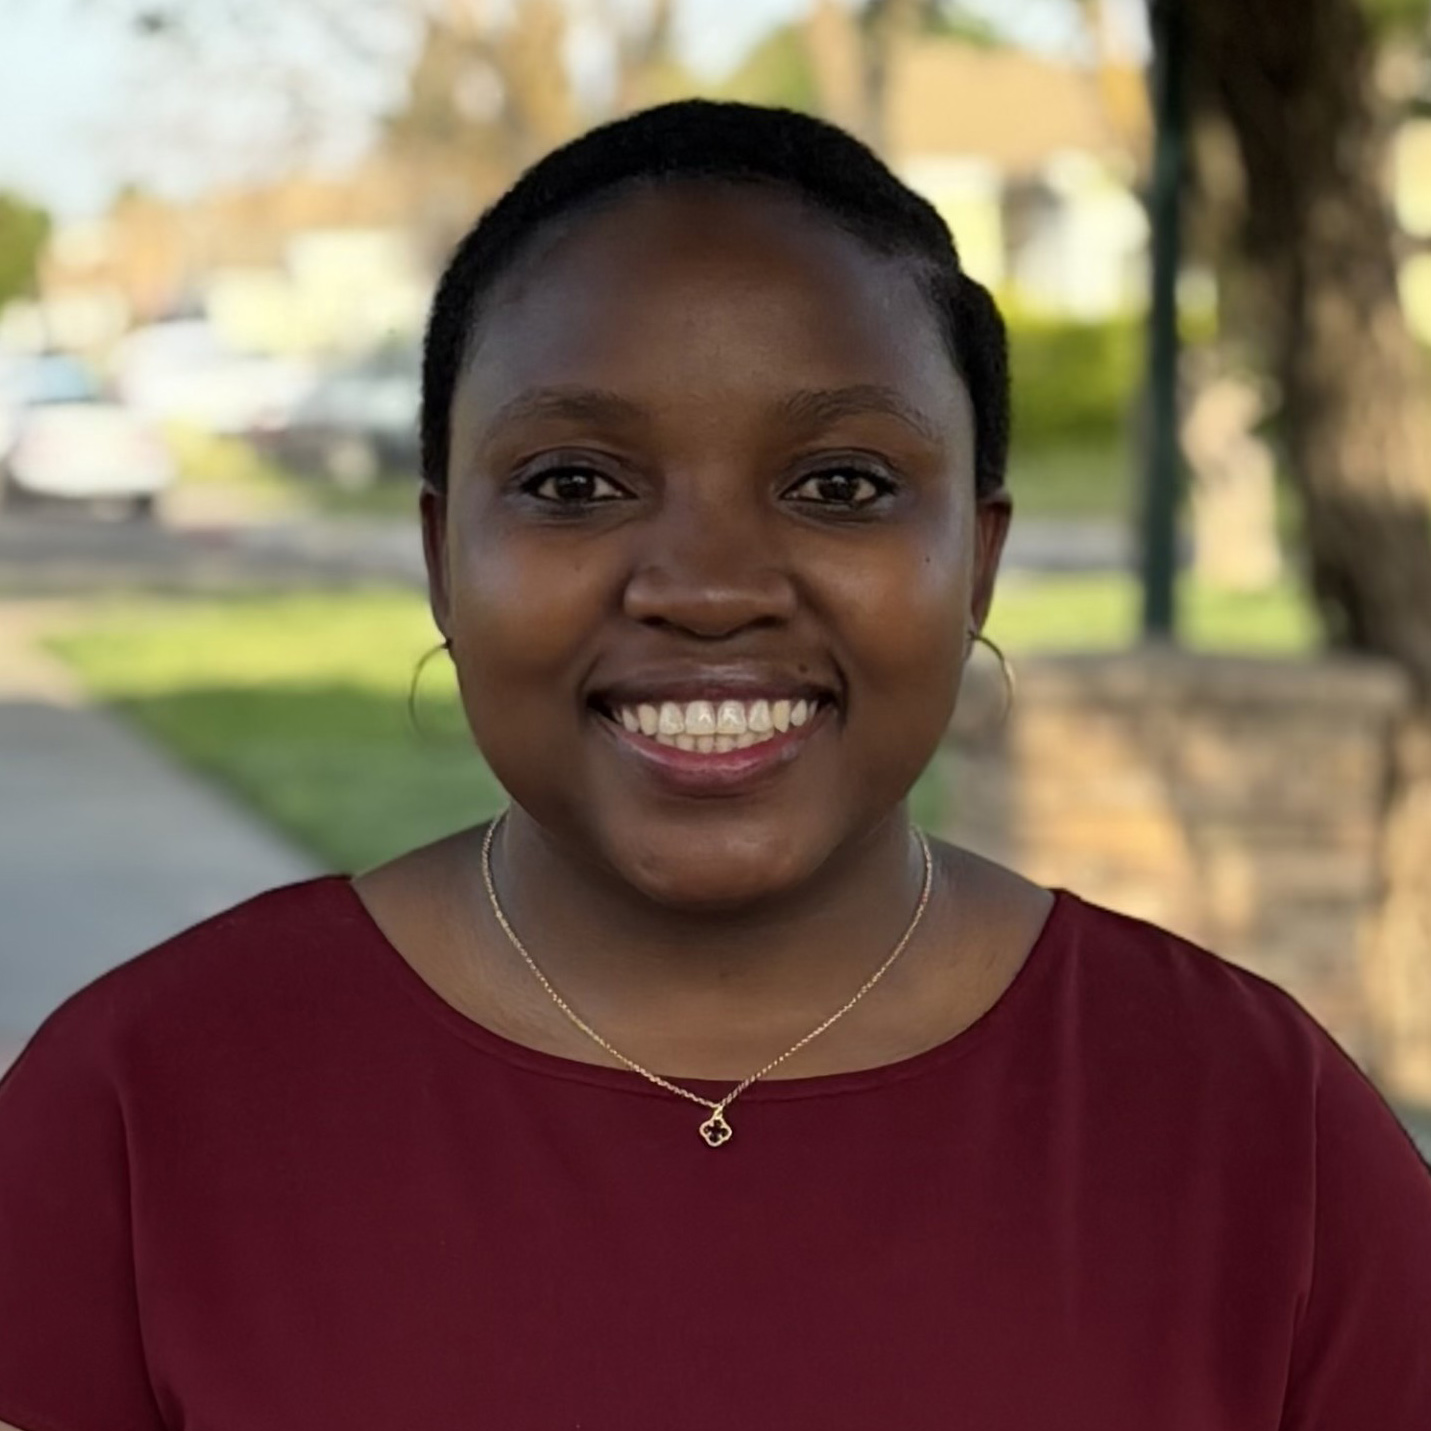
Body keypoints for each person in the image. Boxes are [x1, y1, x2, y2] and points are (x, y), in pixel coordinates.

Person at [1, 100, 1428, 1430]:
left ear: (976, 562)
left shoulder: (1254, 1132)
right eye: (574, 484)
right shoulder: (140, 1112)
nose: (708, 585)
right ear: (444, 559)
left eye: (840, 486)